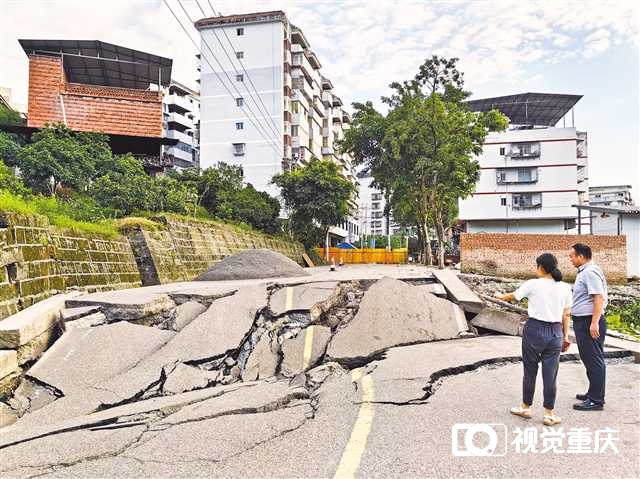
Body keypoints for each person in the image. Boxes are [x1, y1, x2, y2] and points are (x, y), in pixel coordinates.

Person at [495, 253, 572, 426]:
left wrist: (500, 296)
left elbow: (514, 296)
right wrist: (565, 337)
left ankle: (526, 407)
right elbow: (566, 314)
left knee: (530, 371)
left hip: (534, 330)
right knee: (550, 375)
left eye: (536, 266)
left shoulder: (533, 284)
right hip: (555, 332)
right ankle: (549, 414)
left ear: (541, 267)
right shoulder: (565, 287)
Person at [569, 243, 608, 411]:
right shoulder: (585, 272)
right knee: (589, 358)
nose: (570, 259)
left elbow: (597, 298)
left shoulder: (590, 273)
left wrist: (594, 322)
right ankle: (593, 393)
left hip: (588, 322)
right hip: (584, 321)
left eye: (572, 256)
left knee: (594, 360)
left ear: (581, 256)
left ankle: (596, 400)